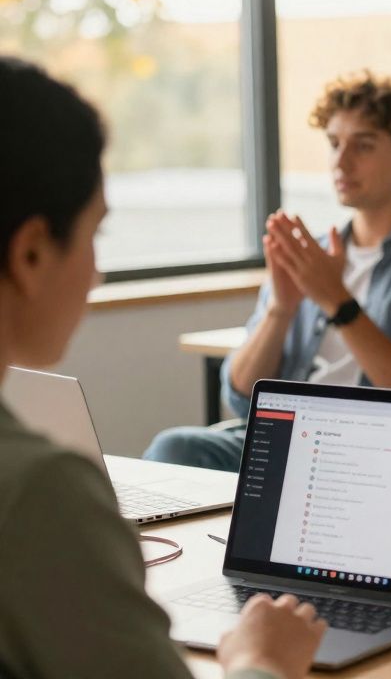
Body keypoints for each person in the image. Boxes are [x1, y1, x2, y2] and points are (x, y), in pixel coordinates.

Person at [0, 56, 325, 678]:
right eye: (97, 234)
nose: (96, 273)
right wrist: (261, 661)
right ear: (32, 252)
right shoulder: (40, 494)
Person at [145, 72, 391, 471]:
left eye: (362, 146)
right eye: (333, 144)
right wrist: (281, 308)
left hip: (377, 456)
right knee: (174, 449)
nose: (340, 162)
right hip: (288, 441)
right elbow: (241, 397)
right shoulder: (309, 254)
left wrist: (337, 301)